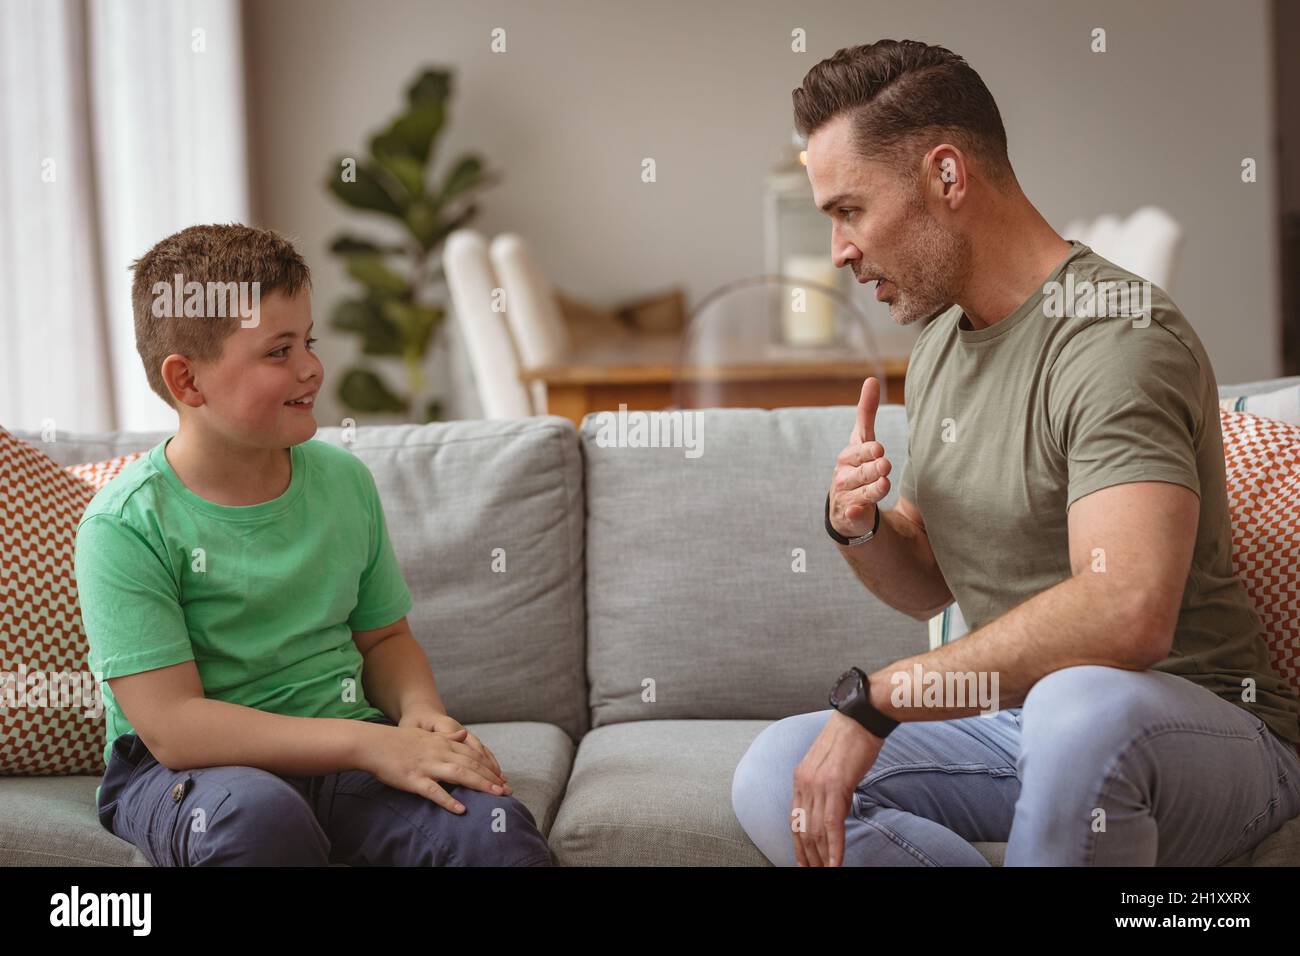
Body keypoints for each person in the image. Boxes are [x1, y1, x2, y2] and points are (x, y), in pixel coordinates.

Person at [731, 39, 1300, 866]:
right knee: (776, 774)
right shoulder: (940, 344)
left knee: (1081, 710)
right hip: (1023, 722)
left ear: (947, 177)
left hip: (1200, 730)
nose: (839, 253)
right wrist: (863, 528)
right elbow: (933, 574)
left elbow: (1126, 609)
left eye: (849, 211)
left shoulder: (1116, 337)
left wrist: (884, 697)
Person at [75, 224, 552, 866]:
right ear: (188, 382)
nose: (311, 368)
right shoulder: (125, 525)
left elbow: (384, 639)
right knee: (259, 819)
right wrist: (369, 747)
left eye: (308, 340)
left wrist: (418, 714)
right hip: (189, 774)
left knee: (489, 828)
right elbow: (174, 727)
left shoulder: (342, 482)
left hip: (344, 746)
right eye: (278, 351)